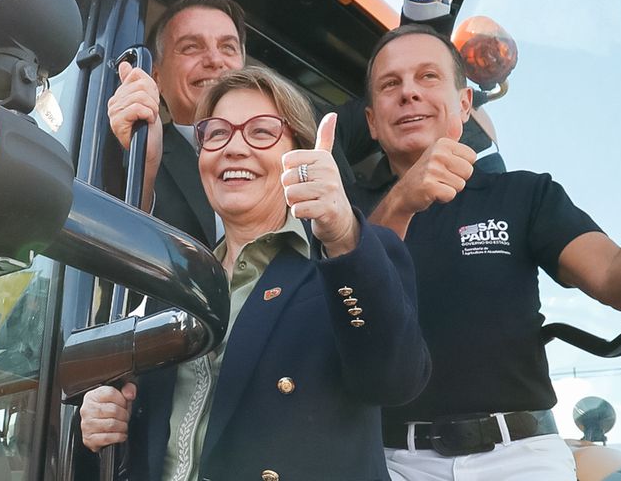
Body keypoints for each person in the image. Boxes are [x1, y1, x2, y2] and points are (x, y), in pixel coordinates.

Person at [351, 24, 621, 480]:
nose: (409, 93)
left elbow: (619, 281)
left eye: (428, 77)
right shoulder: (342, 212)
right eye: (390, 84)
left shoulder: (524, 194)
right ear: (372, 122)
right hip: (391, 463)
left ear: (464, 105)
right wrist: (402, 200)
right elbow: (340, 305)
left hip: (520, 460)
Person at [81, 67, 431, 480]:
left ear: (298, 152)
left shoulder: (347, 258)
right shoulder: (176, 285)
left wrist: (341, 234)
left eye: (262, 132)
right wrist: (104, 421)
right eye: (216, 134)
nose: (234, 148)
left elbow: (395, 381)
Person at [108, 0, 457, 248]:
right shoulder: (136, 152)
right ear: (155, 75)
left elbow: (398, 101)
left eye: (228, 47)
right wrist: (144, 166)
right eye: (191, 47)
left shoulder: (311, 126)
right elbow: (114, 256)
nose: (215, 60)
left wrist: (423, 1)